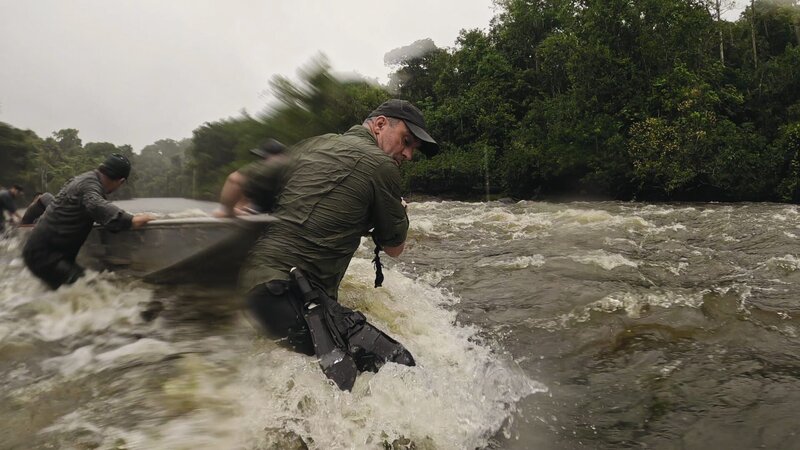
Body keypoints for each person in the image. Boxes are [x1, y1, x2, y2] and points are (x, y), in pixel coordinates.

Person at [220, 99, 438, 390]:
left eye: (414, 149)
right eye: (406, 141)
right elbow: (394, 248)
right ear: (380, 124)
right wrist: (400, 212)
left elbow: (236, 181)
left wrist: (227, 214)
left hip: (253, 290)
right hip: (290, 299)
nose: (408, 154)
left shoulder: (313, 145)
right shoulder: (382, 167)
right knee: (402, 368)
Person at [22, 154, 155, 289]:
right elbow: (96, 205)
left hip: (45, 253)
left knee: (76, 288)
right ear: (121, 181)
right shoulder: (90, 187)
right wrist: (135, 219)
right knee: (91, 289)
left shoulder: (84, 179)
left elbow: (95, 207)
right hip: (45, 257)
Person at [213, 138, 287, 217]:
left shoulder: (271, 169)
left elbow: (234, 179)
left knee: (221, 213)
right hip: (279, 210)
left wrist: (228, 211)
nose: (260, 161)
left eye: (263, 158)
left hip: (274, 213)